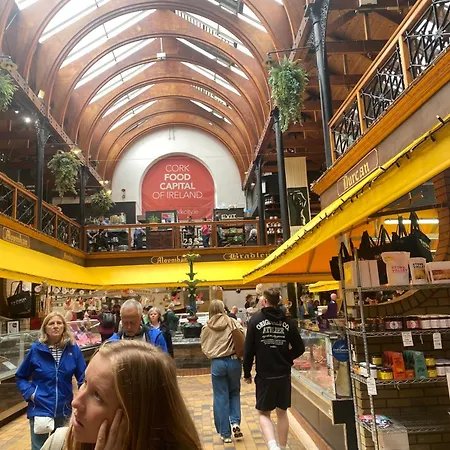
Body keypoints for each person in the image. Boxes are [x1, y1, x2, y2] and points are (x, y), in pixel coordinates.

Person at [41, 340, 202, 450]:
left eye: (97, 396)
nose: (75, 402)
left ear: (136, 414)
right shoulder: (59, 443)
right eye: (85, 382)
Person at [243, 288, 305, 450]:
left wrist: (247, 372)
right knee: (282, 412)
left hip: (265, 373)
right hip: (283, 373)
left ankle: (272, 446)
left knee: (264, 412)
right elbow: (300, 347)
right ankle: (282, 447)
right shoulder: (287, 321)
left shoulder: (255, 320)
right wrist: (286, 357)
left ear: (265, 301)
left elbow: (248, 350)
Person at [16, 312, 86, 450]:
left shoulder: (73, 349)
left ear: (64, 327)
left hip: (64, 408)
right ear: (45, 328)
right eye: (51, 323)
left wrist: (83, 397)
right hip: (40, 407)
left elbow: (83, 377)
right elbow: (21, 376)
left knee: (61, 446)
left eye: (59, 323)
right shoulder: (36, 350)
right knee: (39, 447)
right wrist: (31, 394)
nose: (55, 326)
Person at [200, 300, 244, 443]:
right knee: (234, 392)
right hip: (234, 361)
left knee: (220, 396)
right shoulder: (232, 322)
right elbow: (243, 338)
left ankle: (225, 434)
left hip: (217, 363)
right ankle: (235, 422)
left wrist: (214, 353)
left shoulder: (207, 326)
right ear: (223, 308)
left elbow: (204, 346)